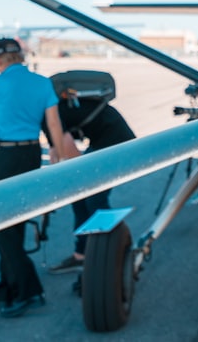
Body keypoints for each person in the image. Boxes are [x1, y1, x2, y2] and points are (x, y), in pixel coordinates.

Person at [0, 38, 68, 318]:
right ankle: (6, 283)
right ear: (20, 57)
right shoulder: (42, 83)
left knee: (1, 224)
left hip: (6, 157)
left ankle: (27, 289)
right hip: (32, 155)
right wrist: (57, 154)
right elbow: (54, 123)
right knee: (17, 220)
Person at [43, 84, 136, 278]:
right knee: (80, 198)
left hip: (115, 141)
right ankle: (83, 255)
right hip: (106, 139)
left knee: (93, 200)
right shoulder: (48, 108)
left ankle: (111, 258)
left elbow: (74, 159)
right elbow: (58, 147)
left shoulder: (45, 115)